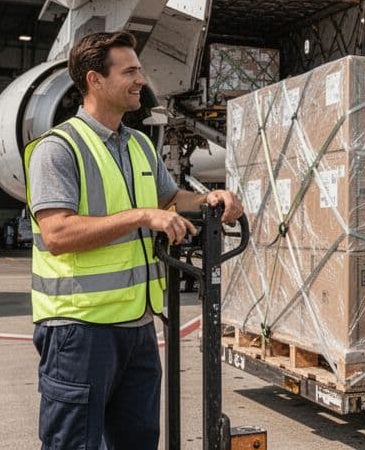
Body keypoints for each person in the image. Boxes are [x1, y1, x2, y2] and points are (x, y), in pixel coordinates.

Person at [26, 31, 244, 450]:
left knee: (139, 441)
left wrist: (209, 197)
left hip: (138, 324)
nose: (140, 80)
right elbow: (57, 234)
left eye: (139, 71)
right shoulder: (57, 149)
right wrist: (142, 217)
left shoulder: (140, 144)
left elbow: (168, 199)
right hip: (80, 329)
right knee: (74, 443)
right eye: (129, 71)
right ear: (95, 80)